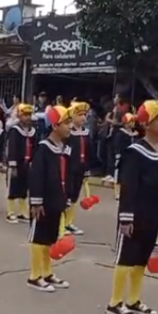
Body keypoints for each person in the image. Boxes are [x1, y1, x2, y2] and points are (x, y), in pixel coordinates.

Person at [106, 98, 158, 314]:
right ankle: (115, 302)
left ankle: (134, 299)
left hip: (153, 212)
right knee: (126, 257)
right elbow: (129, 186)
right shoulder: (134, 152)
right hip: (134, 213)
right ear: (146, 123)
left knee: (141, 258)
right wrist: (126, 217)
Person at [26, 105, 73, 292]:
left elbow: (67, 175)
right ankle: (34, 275)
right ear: (54, 125)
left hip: (56, 200)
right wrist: (36, 201)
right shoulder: (43, 148)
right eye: (67, 123)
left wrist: (66, 198)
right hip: (42, 203)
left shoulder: (65, 149)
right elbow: (36, 175)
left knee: (50, 238)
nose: (70, 127)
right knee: (39, 238)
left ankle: (47, 273)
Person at [64, 100, 92, 236]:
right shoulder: (68, 132)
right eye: (80, 114)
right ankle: (61, 223)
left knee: (74, 196)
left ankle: (69, 222)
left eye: (84, 114)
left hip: (80, 169)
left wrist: (87, 168)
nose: (83, 118)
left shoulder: (86, 133)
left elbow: (89, 151)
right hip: (69, 169)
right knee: (66, 196)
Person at [4, 104, 36, 223]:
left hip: (27, 163)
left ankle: (23, 212)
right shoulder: (15, 130)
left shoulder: (33, 131)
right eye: (25, 115)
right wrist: (12, 164)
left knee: (24, 187)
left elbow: (35, 147)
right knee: (13, 187)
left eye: (29, 115)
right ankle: (10, 212)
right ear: (19, 116)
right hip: (16, 163)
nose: (27, 118)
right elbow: (12, 148)